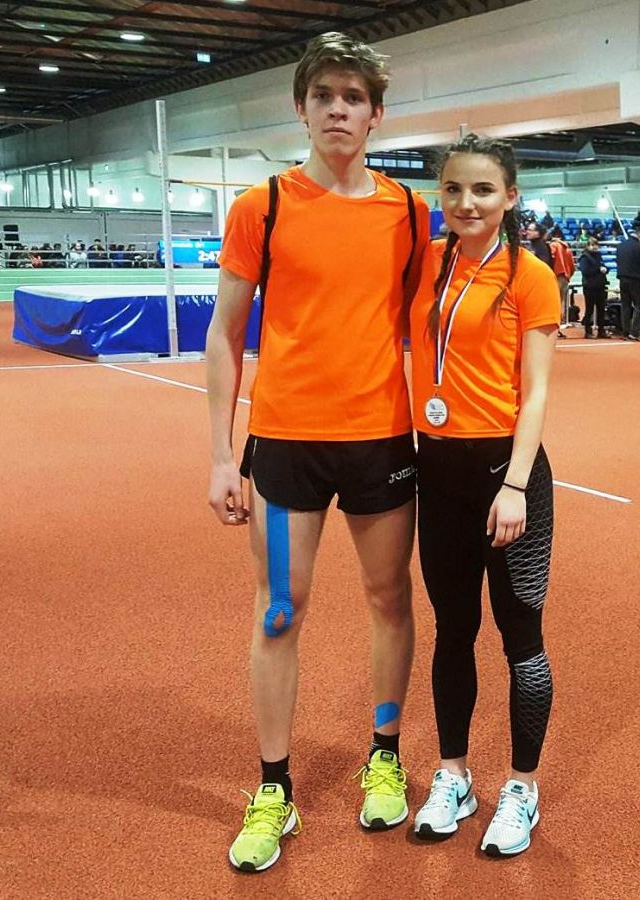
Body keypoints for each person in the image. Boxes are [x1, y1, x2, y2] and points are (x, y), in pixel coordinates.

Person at [206, 31, 429, 874]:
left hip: (381, 439)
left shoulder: (409, 212)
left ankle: (385, 754)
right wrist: (220, 455)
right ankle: (274, 789)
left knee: (390, 599)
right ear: (300, 108)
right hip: (287, 442)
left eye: (353, 97)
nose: (339, 109)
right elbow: (224, 335)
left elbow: (428, 326)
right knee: (279, 611)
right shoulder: (261, 206)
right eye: (324, 95)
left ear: (376, 114)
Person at [408, 132, 557, 858]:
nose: (466, 203)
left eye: (483, 190)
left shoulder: (530, 275)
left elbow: (536, 393)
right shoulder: (425, 264)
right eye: (453, 189)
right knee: (452, 630)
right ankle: (454, 775)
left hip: (508, 476)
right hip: (436, 474)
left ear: (510, 196)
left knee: (520, 638)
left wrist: (516, 484)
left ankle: (522, 787)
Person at [615, 228, 640, 340]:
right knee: (639, 306)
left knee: (625, 306)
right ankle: (634, 332)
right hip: (636, 280)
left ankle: (625, 331)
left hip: (622, 279)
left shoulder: (620, 246)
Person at [577, 236, 609, 338]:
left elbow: (604, 266)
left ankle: (601, 330)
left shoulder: (598, 256)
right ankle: (588, 331)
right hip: (589, 287)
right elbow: (585, 271)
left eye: (595, 245)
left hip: (600, 285)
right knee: (589, 310)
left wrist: (606, 269)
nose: (594, 247)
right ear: (587, 246)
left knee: (601, 309)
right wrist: (599, 270)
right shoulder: (584, 257)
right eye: (592, 245)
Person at [547, 226, 575, 325]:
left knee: (553, 301)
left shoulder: (553, 245)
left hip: (556, 275)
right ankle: (561, 321)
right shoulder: (567, 248)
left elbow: (550, 259)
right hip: (565, 277)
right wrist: (568, 275)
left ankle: (554, 322)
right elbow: (572, 265)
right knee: (562, 300)